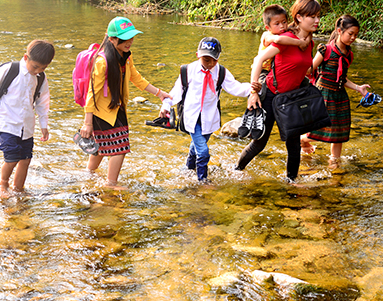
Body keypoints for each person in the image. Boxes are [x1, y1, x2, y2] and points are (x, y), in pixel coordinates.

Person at [235, 0, 321, 182]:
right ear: (298, 18)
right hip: (271, 96)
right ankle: (237, 170)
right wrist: (253, 92)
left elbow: (301, 68)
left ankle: (291, 182)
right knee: (259, 143)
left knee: (293, 144)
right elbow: (258, 60)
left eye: (317, 16)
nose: (317, 21)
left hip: (291, 100)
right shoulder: (286, 39)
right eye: (312, 17)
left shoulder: (309, 42)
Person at [79, 17, 169, 189]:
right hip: (101, 111)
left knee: (100, 147)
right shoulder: (102, 61)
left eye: (131, 37)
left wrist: (159, 93)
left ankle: (88, 175)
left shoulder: (126, 56)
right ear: (111, 39)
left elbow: (135, 77)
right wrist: (87, 123)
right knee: (120, 148)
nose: (129, 42)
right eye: (125, 38)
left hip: (117, 108)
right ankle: (111, 183)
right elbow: (92, 93)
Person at [160, 37, 260, 182]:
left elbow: (236, 87)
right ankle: (202, 180)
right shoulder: (187, 71)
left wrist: (253, 88)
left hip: (209, 117)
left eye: (214, 59)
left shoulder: (220, 72)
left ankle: (188, 168)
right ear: (198, 55)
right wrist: (165, 106)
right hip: (192, 117)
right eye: (206, 60)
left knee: (197, 145)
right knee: (203, 151)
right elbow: (175, 92)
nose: (210, 64)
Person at [0, 39, 55, 195]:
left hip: (27, 125)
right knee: (12, 157)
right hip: (6, 121)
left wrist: (44, 126)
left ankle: (19, 189)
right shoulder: (10, 70)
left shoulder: (41, 78)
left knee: (25, 158)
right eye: (35, 66)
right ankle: (2, 183)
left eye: (43, 68)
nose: (38, 70)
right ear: (25, 57)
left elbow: (42, 103)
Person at [302, 15, 371, 169]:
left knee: (339, 133)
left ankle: (334, 164)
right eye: (350, 34)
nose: (353, 38)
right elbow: (309, 70)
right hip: (322, 94)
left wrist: (358, 88)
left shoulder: (349, 54)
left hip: (339, 96)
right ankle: (302, 140)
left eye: (355, 35)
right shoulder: (325, 50)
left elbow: (342, 78)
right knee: (323, 130)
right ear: (339, 31)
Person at [257, 5, 310, 79]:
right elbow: (278, 40)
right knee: (262, 86)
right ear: (268, 28)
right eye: (277, 24)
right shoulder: (267, 35)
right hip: (263, 70)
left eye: (284, 22)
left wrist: (307, 38)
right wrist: (299, 43)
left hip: (276, 70)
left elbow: (304, 30)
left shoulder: (283, 31)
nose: (282, 26)